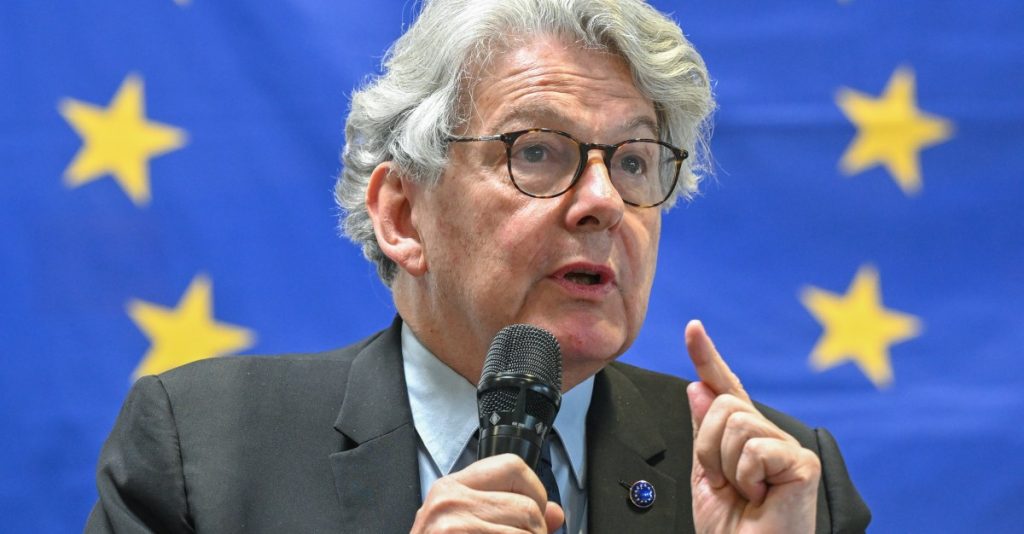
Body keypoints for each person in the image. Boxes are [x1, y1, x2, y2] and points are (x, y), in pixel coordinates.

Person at [86, 0, 871, 532]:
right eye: (538, 151)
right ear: (403, 216)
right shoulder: (203, 455)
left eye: (634, 161)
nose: (604, 201)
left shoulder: (778, 483)